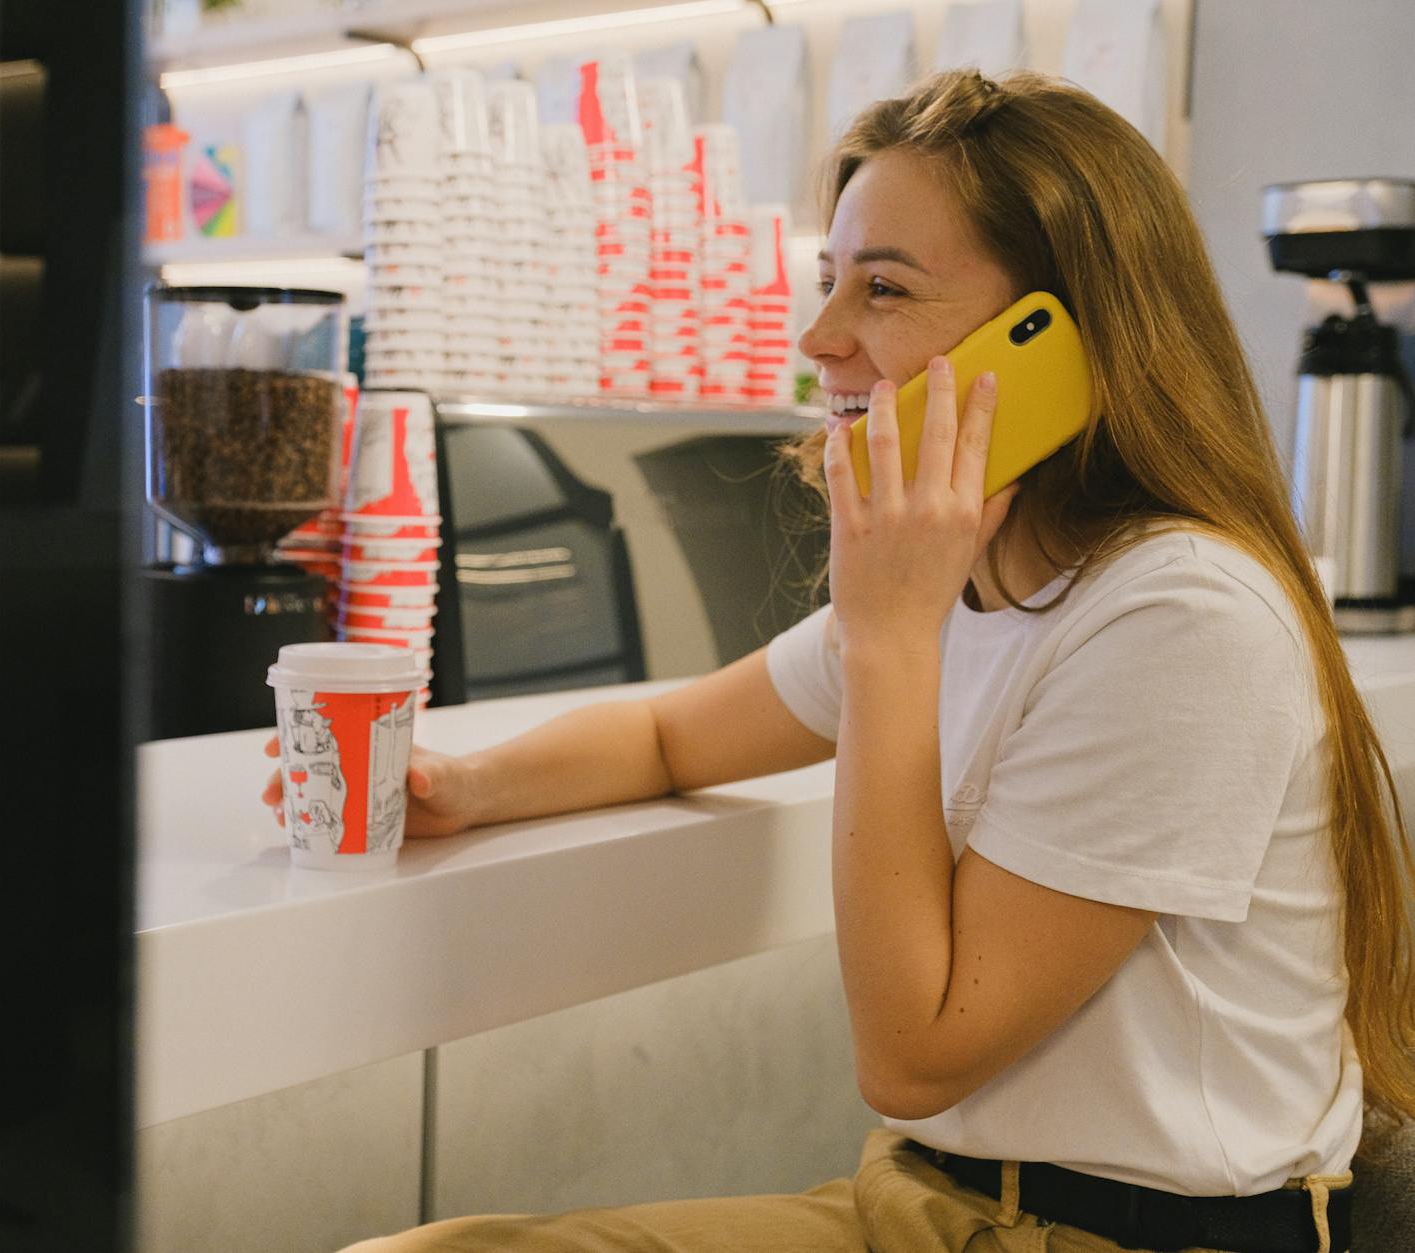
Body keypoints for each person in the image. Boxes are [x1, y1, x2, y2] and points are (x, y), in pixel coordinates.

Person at [263, 69, 1415, 1253]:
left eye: (881, 290)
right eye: (828, 282)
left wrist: (887, 640)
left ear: (1058, 342)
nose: (819, 343)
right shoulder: (973, 574)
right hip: (928, 1204)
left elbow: (915, 1050)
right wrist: (462, 786)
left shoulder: (1180, 618)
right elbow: (670, 734)